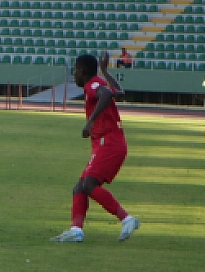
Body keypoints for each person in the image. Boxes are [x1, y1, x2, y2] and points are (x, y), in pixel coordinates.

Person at [54, 54, 140, 243]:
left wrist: (90, 121)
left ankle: (127, 219)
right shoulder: (98, 81)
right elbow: (119, 92)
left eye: (75, 70)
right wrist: (106, 72)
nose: (74, 74)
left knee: (89, 185)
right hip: (108, 143)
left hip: (109, 143)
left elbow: (108, 94)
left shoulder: (92, 85)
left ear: (82, 71)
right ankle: (76, 230)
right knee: (79, 187)